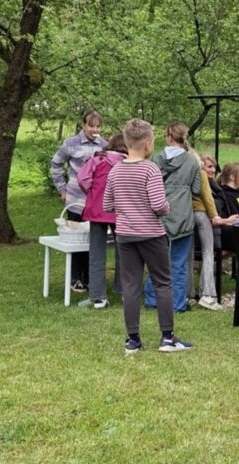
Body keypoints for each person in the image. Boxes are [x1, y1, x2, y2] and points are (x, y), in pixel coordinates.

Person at [102, 119, 191, 354]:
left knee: (131, 285)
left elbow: (107, 204)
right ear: (148, 144)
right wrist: (168, 208)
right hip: (151, 234)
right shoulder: (150, 169)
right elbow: (158, 204)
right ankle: (167, 338)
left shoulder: (115, 170)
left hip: (125, 234)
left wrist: (127, 208)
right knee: (162, 282)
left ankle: (133, 339)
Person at [50, 110, 106, 293]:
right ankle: (75, 278)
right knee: (75, 239)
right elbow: (56, 164)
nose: (95, 130)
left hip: (94, 201)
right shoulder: (71, 143)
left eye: (98, 126)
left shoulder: (104, 145)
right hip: (75, 199)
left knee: (92, 239)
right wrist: (62, 188)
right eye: (91, 125)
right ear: (83, 125)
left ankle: (89, 277)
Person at [149, 123, 201, 313]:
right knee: (179, 263)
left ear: (168, 137)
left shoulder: (156, 159)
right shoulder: (192, 161)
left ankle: (152, 299)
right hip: (182, 215)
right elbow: (197, 190)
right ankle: (177, 303)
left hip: (159, 214)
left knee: (156, 261)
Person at [76, 133, 126, 308]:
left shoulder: (97, 160)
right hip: (120, 211)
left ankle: (98, 297)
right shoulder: (127, 163)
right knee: (124, 251)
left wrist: (92, 192)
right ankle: (124, 291)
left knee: (96, 252)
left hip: (97, 209)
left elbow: (82, 179)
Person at [191, 151, 224, 311]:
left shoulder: (187, 173)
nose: (212, 170)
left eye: (214, 167)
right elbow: (207, 198)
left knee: (188, 255)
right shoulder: (201, 175)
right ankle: (208, 294)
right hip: (202, 214)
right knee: (208, 253)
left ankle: (189, 294)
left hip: (187, 215)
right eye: (209, 166)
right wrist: (215, 215)